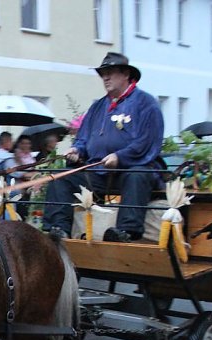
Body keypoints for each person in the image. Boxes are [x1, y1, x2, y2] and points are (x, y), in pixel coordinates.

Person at [42, 52, 164, 242]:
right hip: (99, 172)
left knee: (137, 175)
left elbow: (147, 142)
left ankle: (127, 231)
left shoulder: (146, 103)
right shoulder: (98, 107)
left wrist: (120, 156)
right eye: (103, 73)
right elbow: (83, 139)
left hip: (131, 169)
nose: (105, 77)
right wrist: (77, 150)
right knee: (61, 178)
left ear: (126, 74)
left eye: (111, 72)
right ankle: (58, 229)